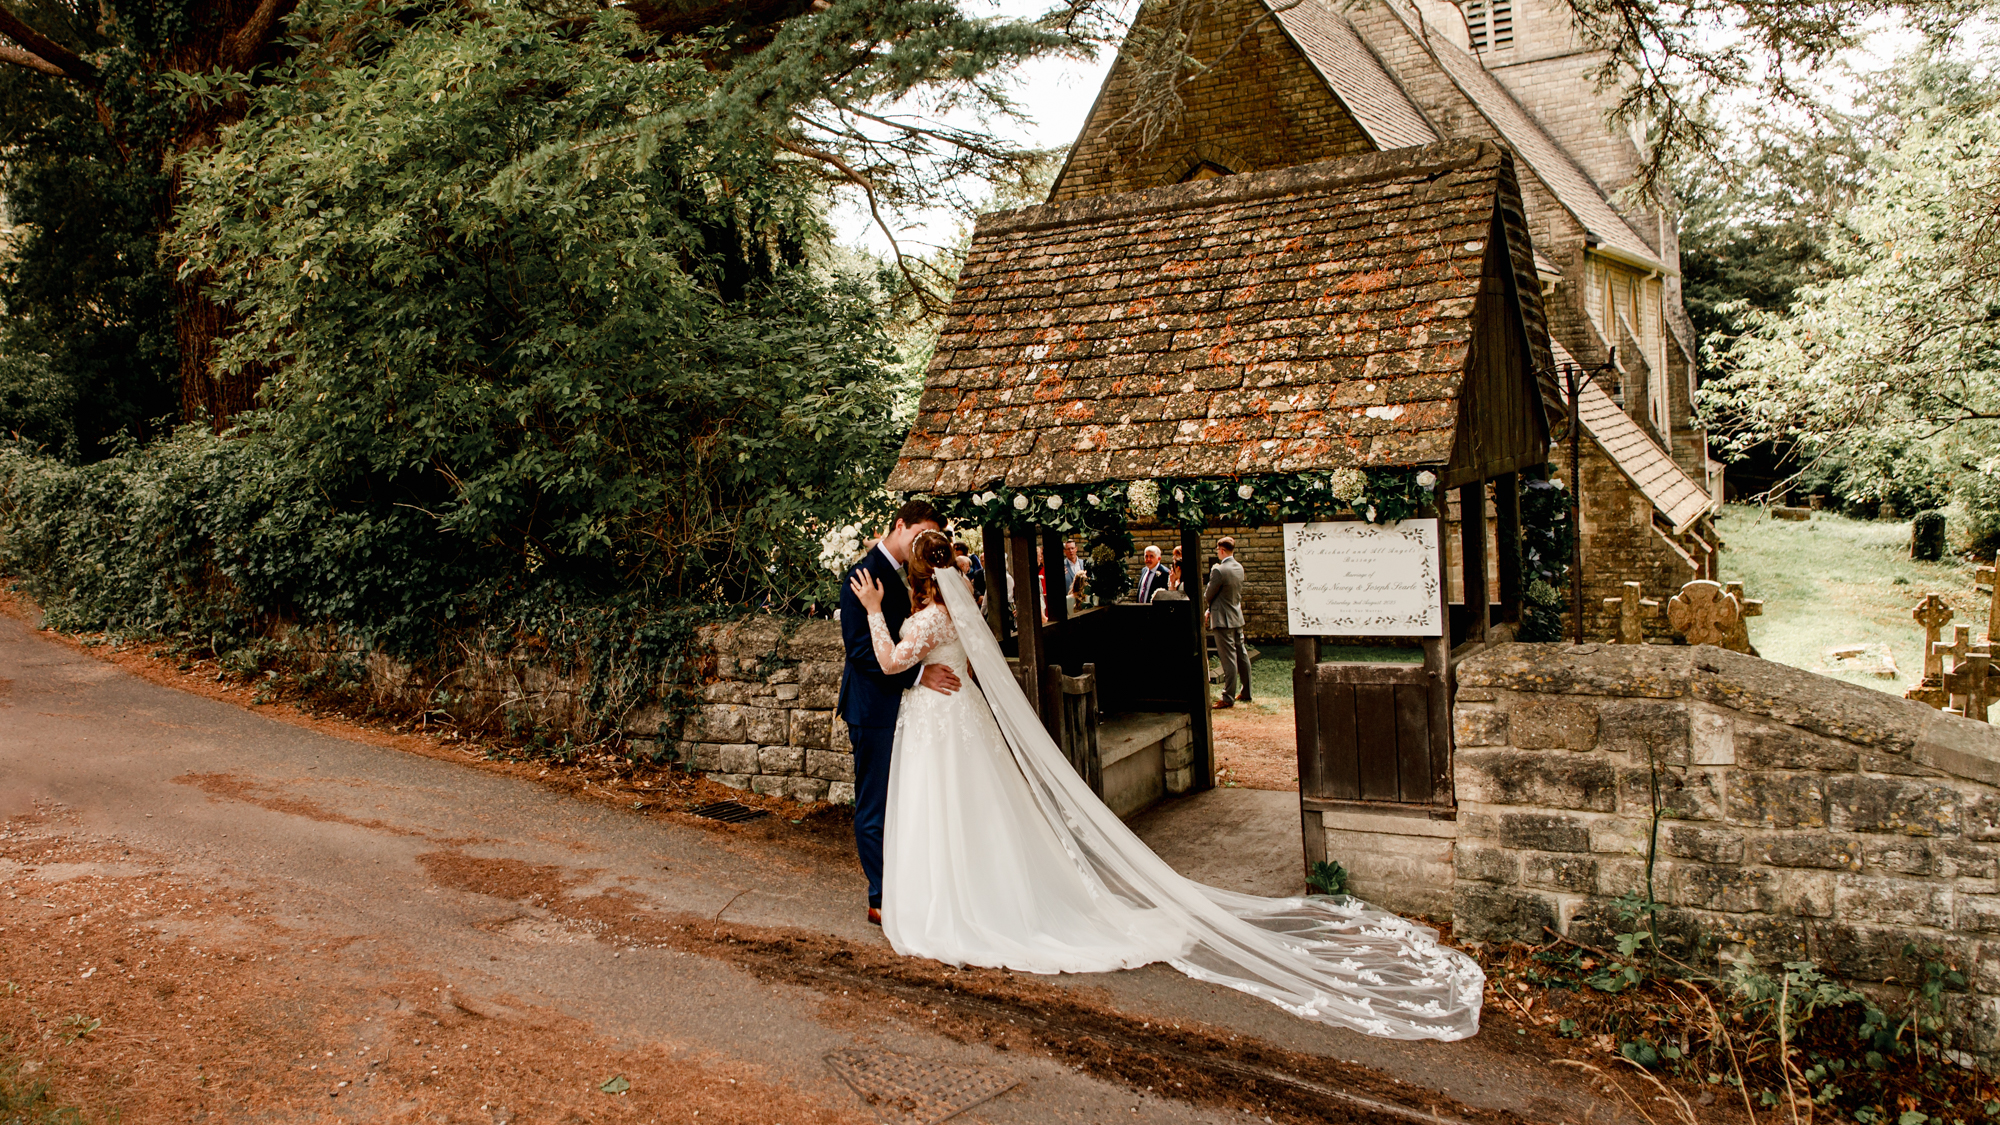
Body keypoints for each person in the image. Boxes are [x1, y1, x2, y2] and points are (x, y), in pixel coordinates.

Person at [845, 531, 1482, 1040]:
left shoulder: (925, 621)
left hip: (937, 723)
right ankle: (978, 892)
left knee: (944, 809)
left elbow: (891, 661)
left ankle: (954, 903)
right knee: (974, 810)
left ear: (917, 575)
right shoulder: (962, 612)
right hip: (959, 718)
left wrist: (875, 612)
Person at [837, 500, 962, 927]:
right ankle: (881, 898)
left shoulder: (920, 575)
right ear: (899, 525)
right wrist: (919, 675)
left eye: (930, 537)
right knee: (876, 806)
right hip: (874, 707)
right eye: (918, 533)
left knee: (910, 803)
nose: (921, 543)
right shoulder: (862, 576)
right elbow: (860, 652)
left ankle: (912, 891)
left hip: (915, 712)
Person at [1206, 537, 1252, 708]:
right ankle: (1246, 691)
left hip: (1222, 618)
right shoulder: (1239, 567)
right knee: (1242, 654)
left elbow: (1208, 594)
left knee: (1228, 658)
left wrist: (1209, 606)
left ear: (1222, 550)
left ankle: (1228, 697)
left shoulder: (1219, 570)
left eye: (1217, 550)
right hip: (1236, 615)